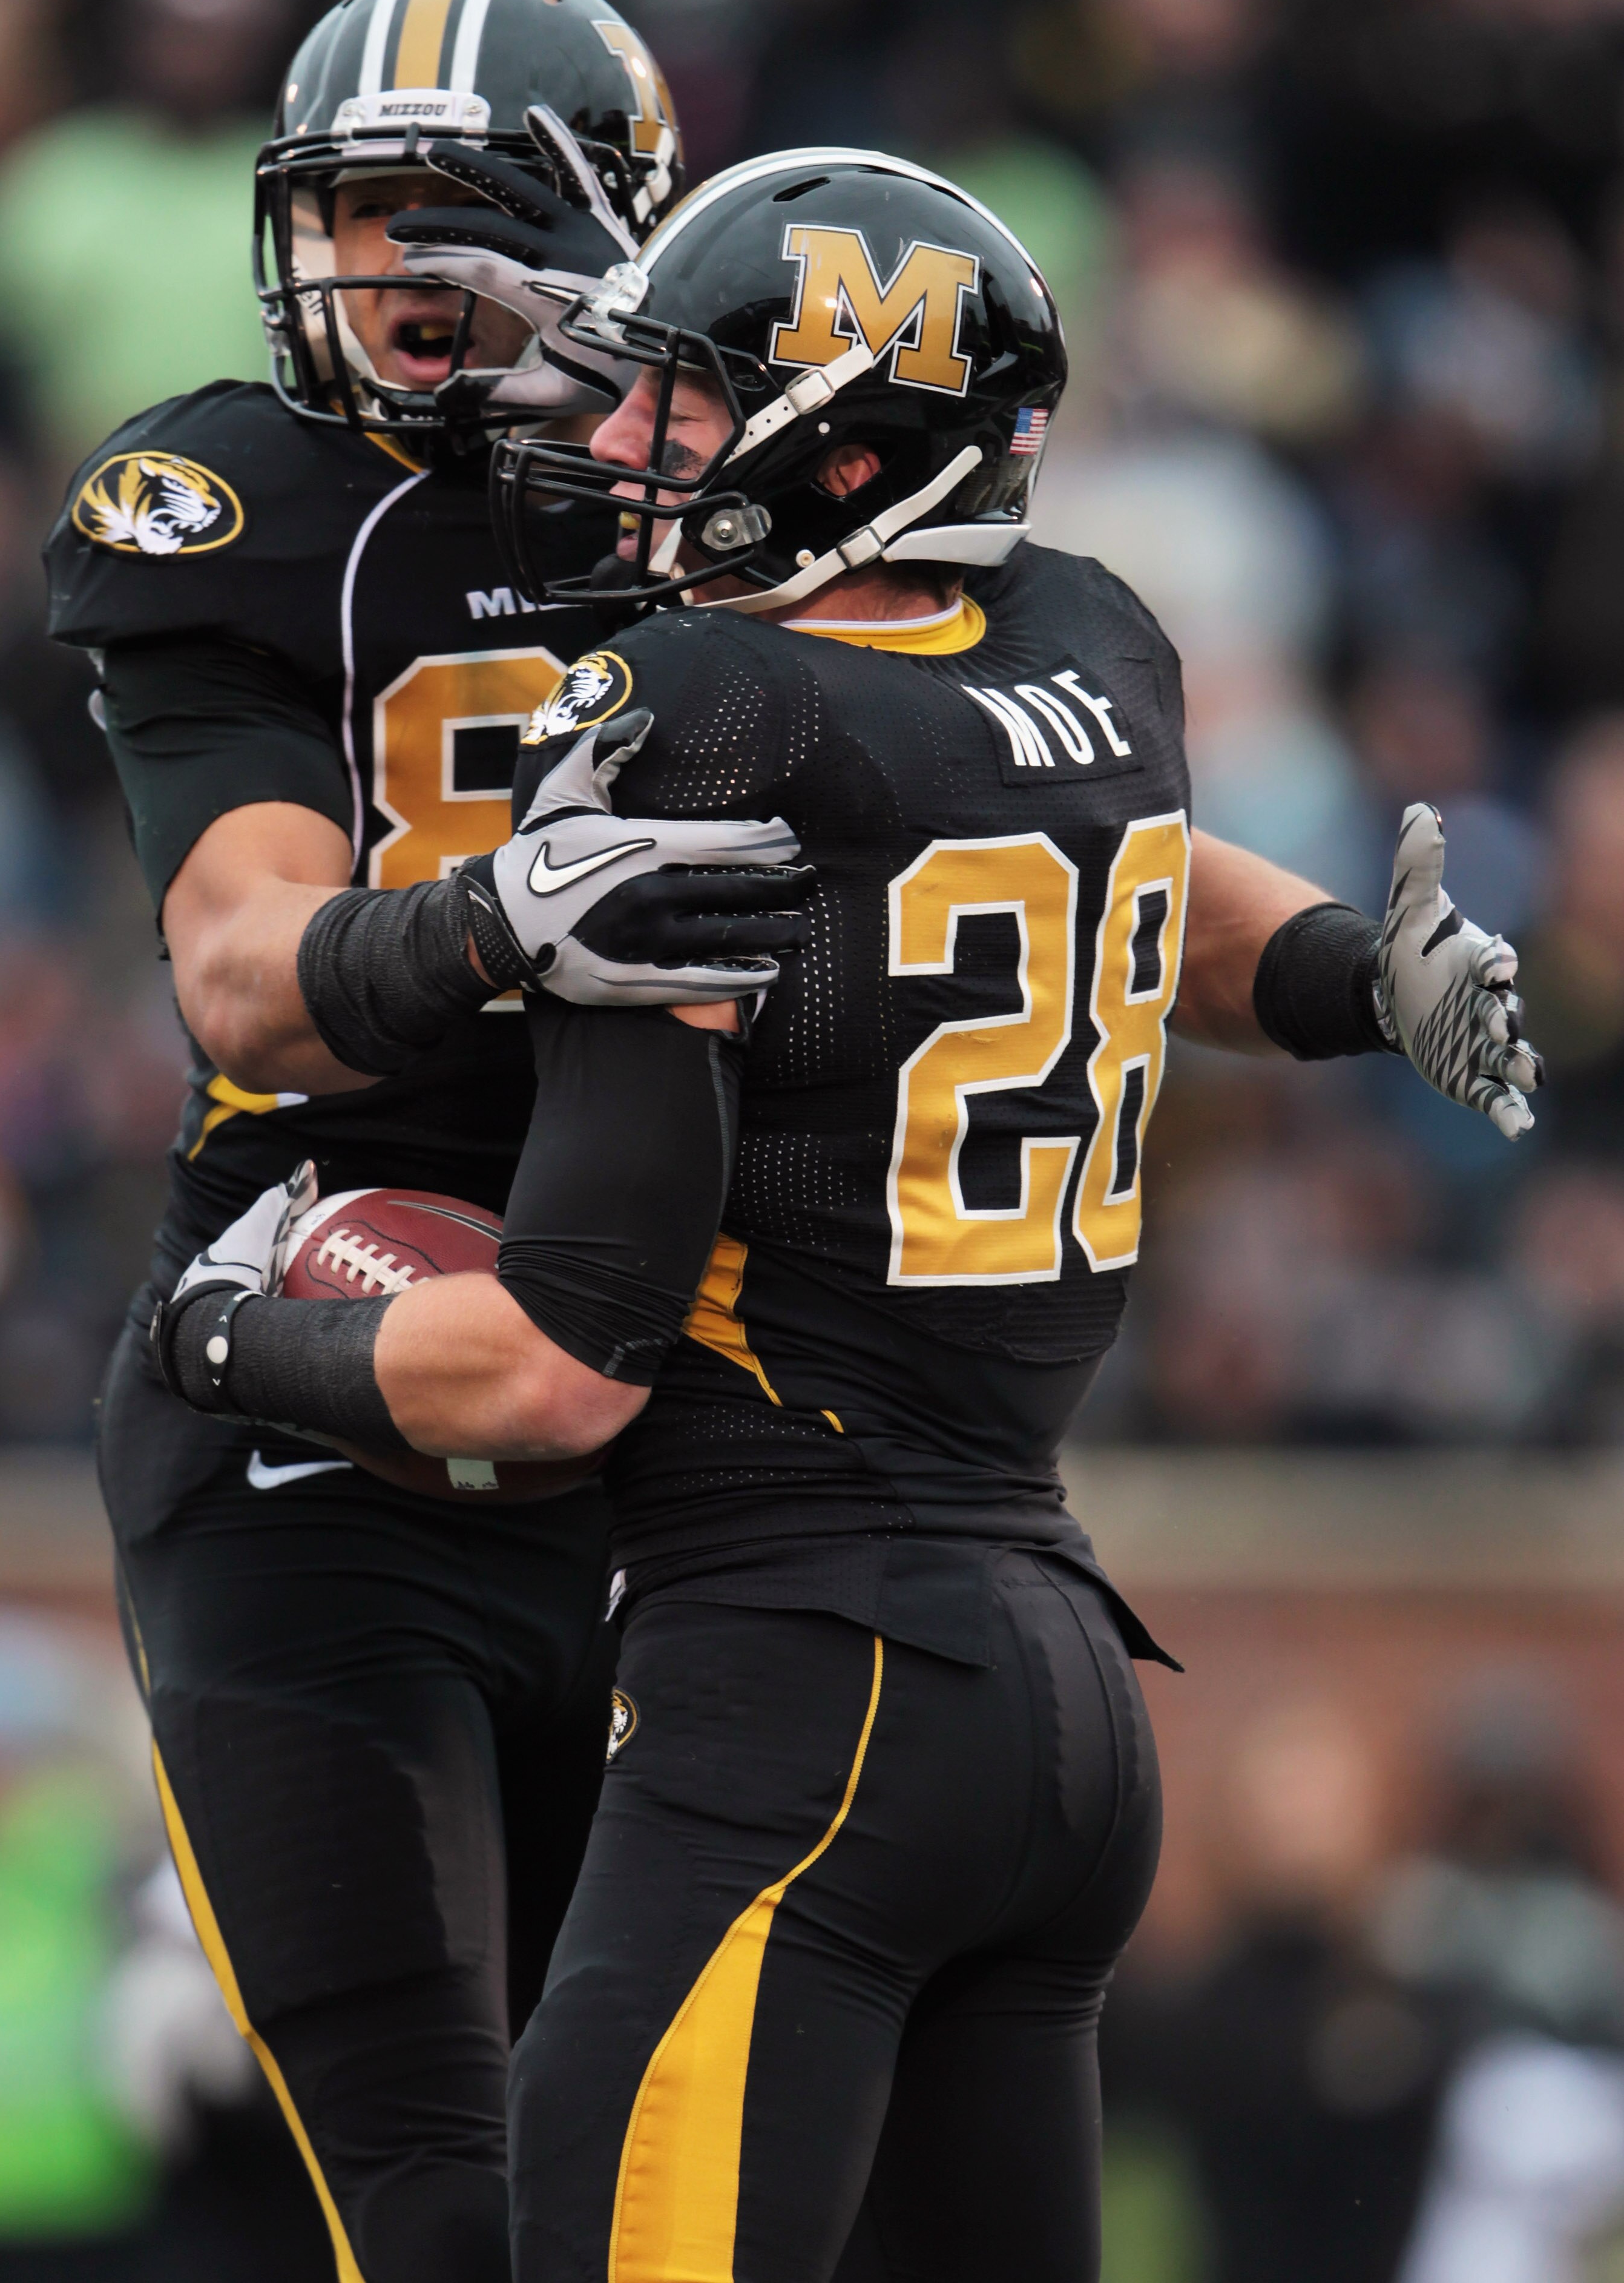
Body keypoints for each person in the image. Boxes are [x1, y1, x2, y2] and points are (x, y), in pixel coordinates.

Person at [151, 147, 1542, 2283]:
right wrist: (1363, 977)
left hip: (805, 1700)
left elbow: (551, 1373)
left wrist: (229, 1332)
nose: (620, 443)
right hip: (1059, 1694)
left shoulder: (711, 704)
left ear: (851, 442)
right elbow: (1143, 902)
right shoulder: (1093, 640)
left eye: (683, 407)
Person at [42, 0, 815, 2283]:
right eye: (345, 213)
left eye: (437, 210)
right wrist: (506, 918)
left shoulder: (749, 477)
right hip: (324, 1367)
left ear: (597, 224)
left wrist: (1319, 973)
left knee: (690, 2192)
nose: (371, 270)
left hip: (676, 1387)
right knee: (442, 2196)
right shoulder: (233, 503)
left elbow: (1032, 801)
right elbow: (240, 966)